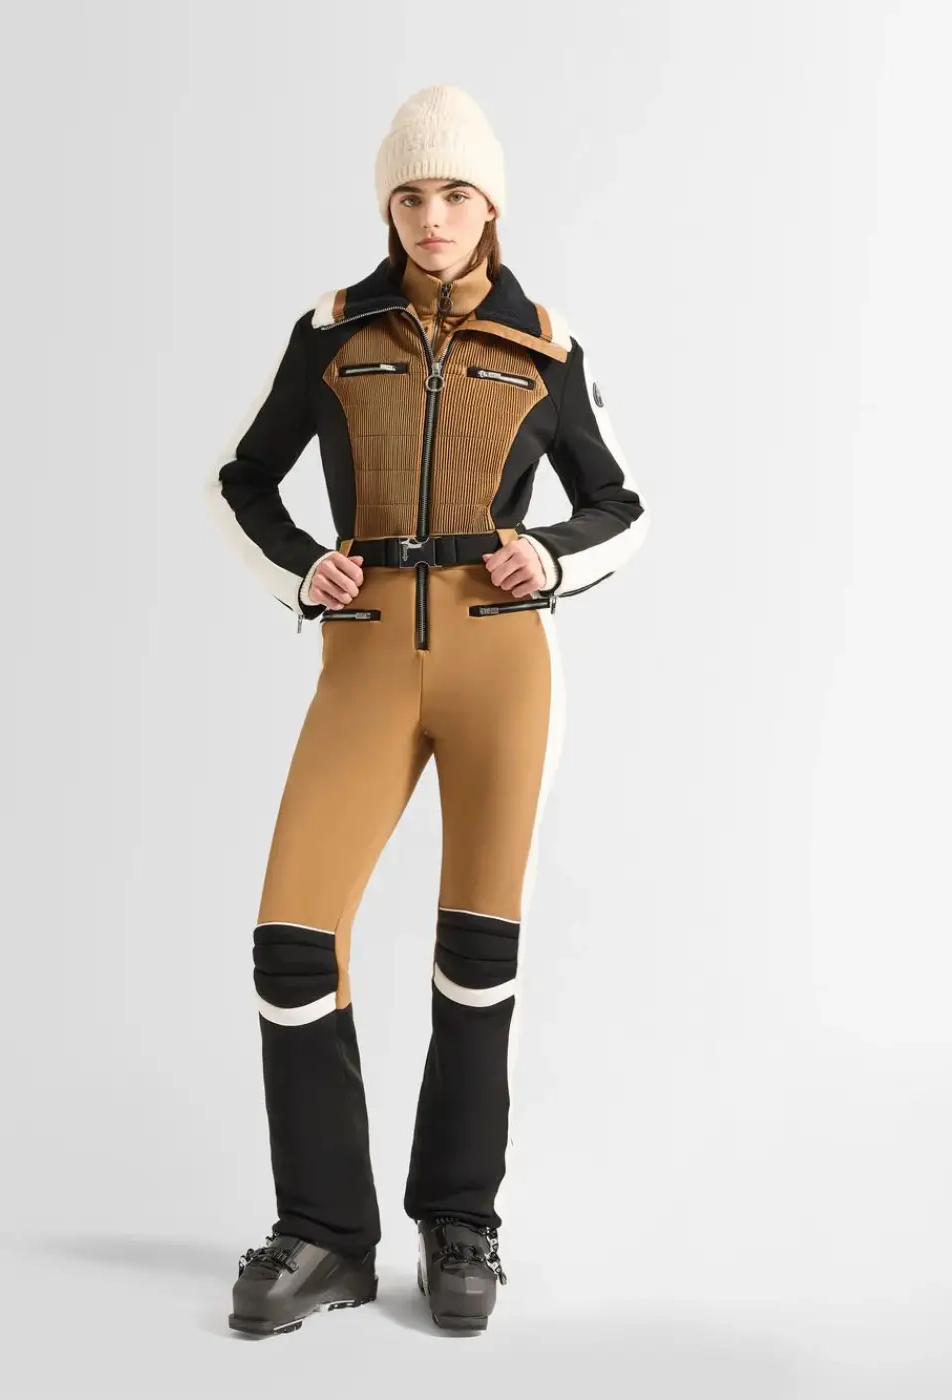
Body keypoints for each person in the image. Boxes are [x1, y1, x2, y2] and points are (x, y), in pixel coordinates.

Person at [214, 84, 650, 1337]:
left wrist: (549, 552)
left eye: (456, 192)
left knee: (477, 951)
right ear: (388, 208)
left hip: (501, 667)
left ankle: (460, 1217)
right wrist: (303, 567)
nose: (432, 216)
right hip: (363, 661)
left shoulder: (547, 347)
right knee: (292, 940)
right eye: (410, 195)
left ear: (489, 204)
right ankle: (324, 1232)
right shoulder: (329, 335)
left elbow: (621, 504)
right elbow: (244, 479)